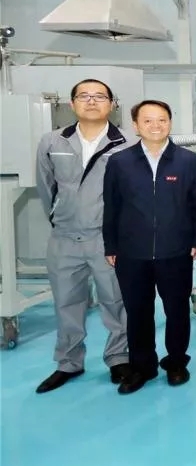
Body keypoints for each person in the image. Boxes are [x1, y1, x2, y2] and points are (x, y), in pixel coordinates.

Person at [33, 79, 135, 394]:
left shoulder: (127, 143)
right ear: (72, 103)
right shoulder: (53, 141)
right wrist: (60, 217)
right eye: (84, 96)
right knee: (66, 301)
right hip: (64, 237)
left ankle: (119, 357)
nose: (91, 101)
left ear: (112, 104)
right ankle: (68, 362)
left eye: (100, 96)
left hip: (108, 237)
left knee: (115, 300)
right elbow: (45, 187)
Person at [102, 100, 196, 395]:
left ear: (170, 123)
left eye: (162, 120)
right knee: (138, 312)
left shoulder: (187, 160)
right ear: (136, 125)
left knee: (177, 310)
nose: (155, 126)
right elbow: (111, 207)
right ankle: (142, 366)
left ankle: (176, 362)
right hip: (131, 252)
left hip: (176, 251)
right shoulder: (119, 162)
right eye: (147, 120)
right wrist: (111, 245)